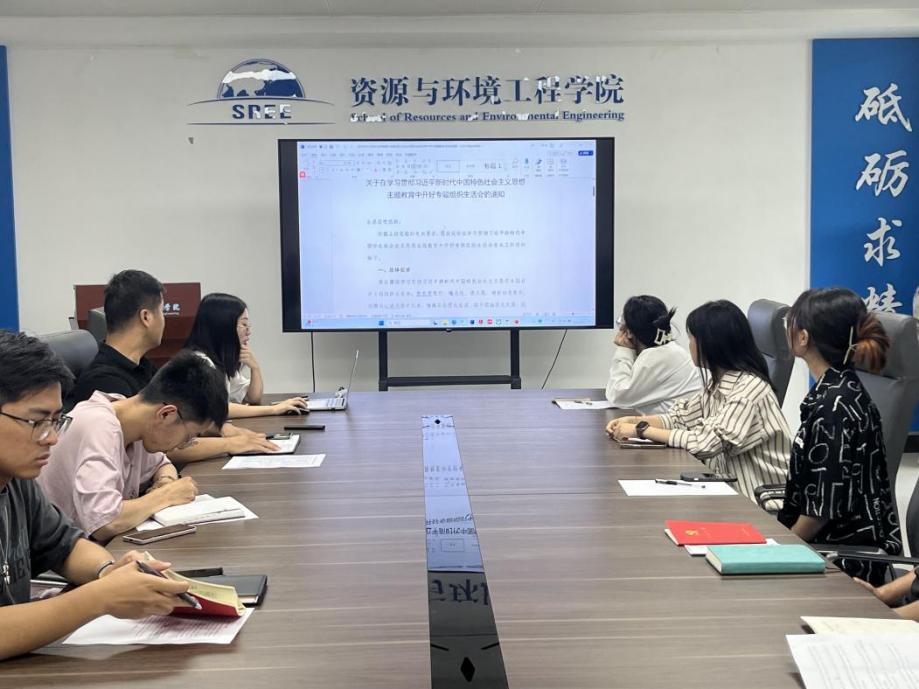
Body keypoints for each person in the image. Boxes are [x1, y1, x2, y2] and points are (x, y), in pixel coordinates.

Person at [0, 331, 189, 661]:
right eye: (37, 421)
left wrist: (109, 571)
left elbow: (64, 545)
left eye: (55, 421)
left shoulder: (16, 480)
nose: (51, 438)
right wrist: (100, 598)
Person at [70, 270, 278, 459]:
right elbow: (159, 445)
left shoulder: (142, 366)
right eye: (162, 311)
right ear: (146, 317)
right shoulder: (105, 381)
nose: (165, 320)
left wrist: (220, 427)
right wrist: (231, 444)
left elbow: (179, 415)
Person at [607, 299, 791, 501]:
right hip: (729, 489)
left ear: (710, 344)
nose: (689, 345)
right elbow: (680, 418)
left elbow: (705, 443)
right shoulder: (719, 383)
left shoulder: (748, 390)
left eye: (691, 339)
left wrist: (641, 430)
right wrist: (633, 421)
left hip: (761, 502)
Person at [776, 287, 900, 586]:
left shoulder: (834, 408)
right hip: (825, 547)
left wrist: (778, 552)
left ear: (803, 337)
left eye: (789, 322)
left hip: (840, 560)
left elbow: (819, 513)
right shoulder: (836, 390)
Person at [38, 351, 229, 541]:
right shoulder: (99, 426)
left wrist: (166, 480)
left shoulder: (135, 421)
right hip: (59, 552)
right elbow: (104, 522)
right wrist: (166, 495)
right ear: (166, 414)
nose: (182, 446)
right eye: (188, 437)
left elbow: (162, 464)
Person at [184, 293, 307, 418]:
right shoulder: (199, 363)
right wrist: (274, 409)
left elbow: (253, 397)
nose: (249, 332)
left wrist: (255, 368)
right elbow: (218, 409)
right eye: (244, 325)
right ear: (223, 326)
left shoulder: (218, 362)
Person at [605, 295, 701, 415]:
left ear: (628, 332)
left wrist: (624, 351)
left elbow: (617, 397)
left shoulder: (656, 357)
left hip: (678, 425)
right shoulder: (669, 350)